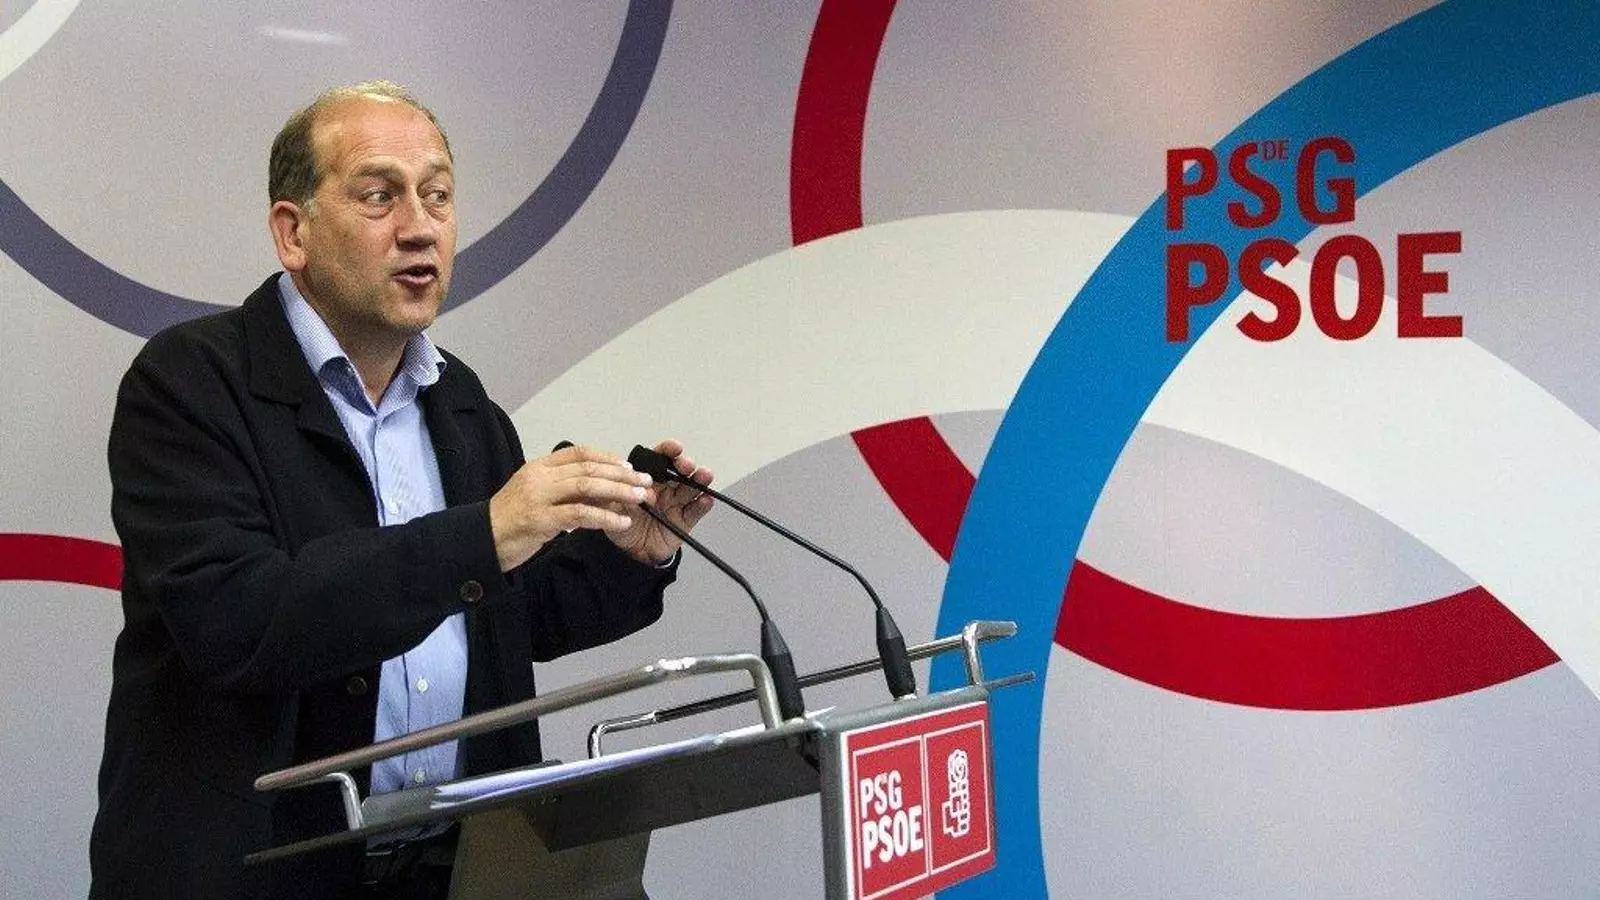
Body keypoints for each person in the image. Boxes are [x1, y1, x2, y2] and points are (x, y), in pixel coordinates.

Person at [87, 80, 713, 900]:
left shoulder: (460, 402)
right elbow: (238, 620)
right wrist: (483, 534)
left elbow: (506, 618)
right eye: (380, 196)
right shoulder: (191, 383)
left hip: (453, 873)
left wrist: (632, 554)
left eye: (438, 196)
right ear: (293, 232)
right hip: (256, 878)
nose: (420, 227)